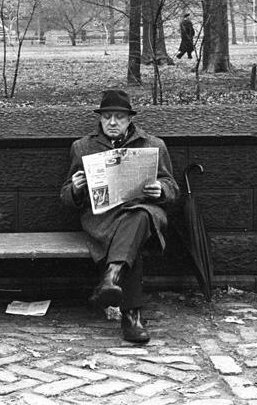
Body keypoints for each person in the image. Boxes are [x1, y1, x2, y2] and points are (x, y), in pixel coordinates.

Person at [60, 90, 179, 344]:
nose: (112, 122)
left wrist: (161, 190)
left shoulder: (153, 145)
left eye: (119, 117)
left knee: (138, 217)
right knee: (130, 236)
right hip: (104, 218)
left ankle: (111, 277)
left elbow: (172, 186)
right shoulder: (82, 147)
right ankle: (131, 316)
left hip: (145, 212)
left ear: (130, 119)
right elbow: (66, 196)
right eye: (107, 117)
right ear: (100, 119)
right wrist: (76, 188)